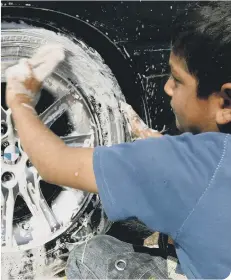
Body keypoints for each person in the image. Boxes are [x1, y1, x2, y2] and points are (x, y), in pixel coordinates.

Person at [5, 2, 231, 279]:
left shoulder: (184, 168)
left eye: (177, 79)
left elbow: (54, 164)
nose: (167, 88)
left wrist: (20, 102)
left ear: (226, 101)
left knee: (91, 255)